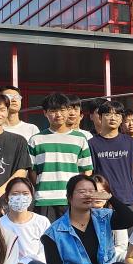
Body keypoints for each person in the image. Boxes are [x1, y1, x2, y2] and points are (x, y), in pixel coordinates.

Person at [29, 92, 94, 220]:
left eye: (62, 110)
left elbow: (86, 171)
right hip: (44, 200)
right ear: (45, 113)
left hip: (72, 200)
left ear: (68, 111)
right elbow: (32, 171)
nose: (58, 114)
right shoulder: (35, 140)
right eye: (53, 111)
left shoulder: (80, 138)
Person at [89, 100, 133, 214]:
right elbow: (89, 173)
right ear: (100, 117)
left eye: (117, 115)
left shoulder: (130, 142)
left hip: (129, 199)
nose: (113, 118)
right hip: (103, 200)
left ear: (121, 119)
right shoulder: (91, 144)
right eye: (108, 114)